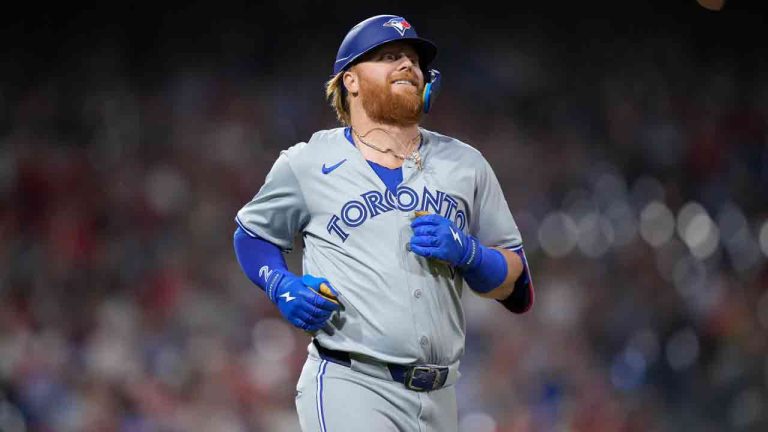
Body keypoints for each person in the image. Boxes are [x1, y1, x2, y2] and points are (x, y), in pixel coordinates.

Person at [233, 14, 534, 432]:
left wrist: (471, 254)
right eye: (389, 56)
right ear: (350, 80)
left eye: (413, 60)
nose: (408, 65)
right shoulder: (308, 162)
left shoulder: (466, 164)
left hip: (441, 397)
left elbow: (518, 289)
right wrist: (279, 283)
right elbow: (252, 235)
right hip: (351, 383)